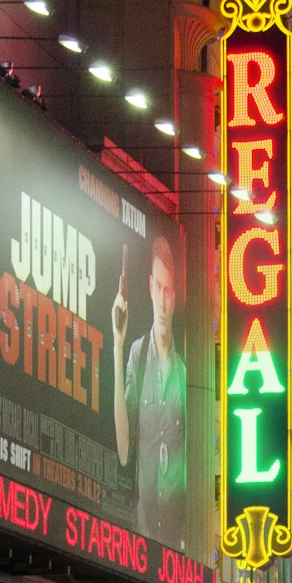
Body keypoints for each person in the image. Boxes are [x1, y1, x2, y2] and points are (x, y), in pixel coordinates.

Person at [111, 234, 188, 548]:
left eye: (168, 290)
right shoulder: (136, 355)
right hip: (142, 534)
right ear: (149, 286)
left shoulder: (186, 375)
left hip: (179, 542)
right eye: (158, 286)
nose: (162, 298)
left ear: (174, 297)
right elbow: (123, 448)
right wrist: (117, 344)